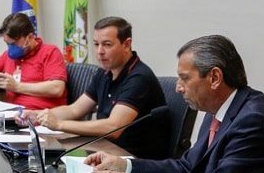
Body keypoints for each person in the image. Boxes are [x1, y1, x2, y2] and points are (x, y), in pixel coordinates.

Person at [84, 35, 264, 173]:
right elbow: (187, 166)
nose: (178, 87)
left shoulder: (255, 122)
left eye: (185, 78)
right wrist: (125, 166)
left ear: (215, 78)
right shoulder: (217, 112)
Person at [19, 16, 168, 158]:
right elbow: (75, 109)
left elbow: (113, 128)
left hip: (134, 158)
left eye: (107, 44)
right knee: (43, 153)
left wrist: (59, 124)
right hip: (105, 147)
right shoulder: (103, 73)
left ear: (127, 44)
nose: (99, 51)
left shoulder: (138, 78)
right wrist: (37, 115)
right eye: (96, 44)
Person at [0, 12, 67, 110]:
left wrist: (17, 87)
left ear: (30, 37)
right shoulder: (8, 56)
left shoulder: (50, 52)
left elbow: (57, 89)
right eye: (8, 44)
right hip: (13, 115)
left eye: (14, 44)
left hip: (42, 117)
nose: (11, 48)